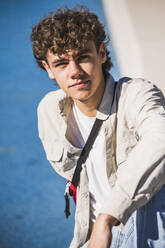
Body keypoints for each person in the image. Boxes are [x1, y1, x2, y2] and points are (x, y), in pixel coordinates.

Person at [30, 6, 165, 248]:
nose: (75, 72)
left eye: (82, 57)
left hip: (142, 225)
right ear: (47, 69)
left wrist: (107, 216)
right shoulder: (50, 112)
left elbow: (161, 138)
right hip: (96, 236)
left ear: (101, 53)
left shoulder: (136, 94)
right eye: (61, 63)